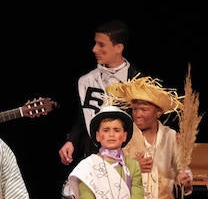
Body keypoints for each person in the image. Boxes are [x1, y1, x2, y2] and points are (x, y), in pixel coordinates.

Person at [57, 20, 145, 165]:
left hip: (130, 159)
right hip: (94, 156)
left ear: (118, 48)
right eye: (95, 43)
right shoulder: (87, 81)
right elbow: (84, 117)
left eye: (101, 45)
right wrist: (71, 141)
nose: (94, 49)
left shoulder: (138, 82)